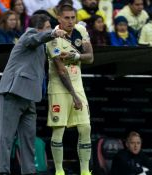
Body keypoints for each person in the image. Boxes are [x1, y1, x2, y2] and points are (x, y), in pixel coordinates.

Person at [0, 14, 66, 175]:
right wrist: (53, 33)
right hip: (12, 93)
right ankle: (3, 171)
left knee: (28, 139)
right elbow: (36, 39)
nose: (50, 29)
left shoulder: (43, 45)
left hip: (30, 97)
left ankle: (29, 171)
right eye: (48, 27)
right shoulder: (29, 35)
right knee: (6, 137)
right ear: (39, 28)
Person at [45, 4, 94, 175]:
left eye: (73, 17)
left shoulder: (81, 30)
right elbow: (61, 70)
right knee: (59, 129)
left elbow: (90, 57)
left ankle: (85, 171)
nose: (71, 21)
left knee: (85, 128)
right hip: (59, 88)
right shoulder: (52, 38)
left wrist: (76, 56)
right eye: (66, 18)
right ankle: (59, 171)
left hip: (78, 86)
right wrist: (74, 96)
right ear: (59, 18)